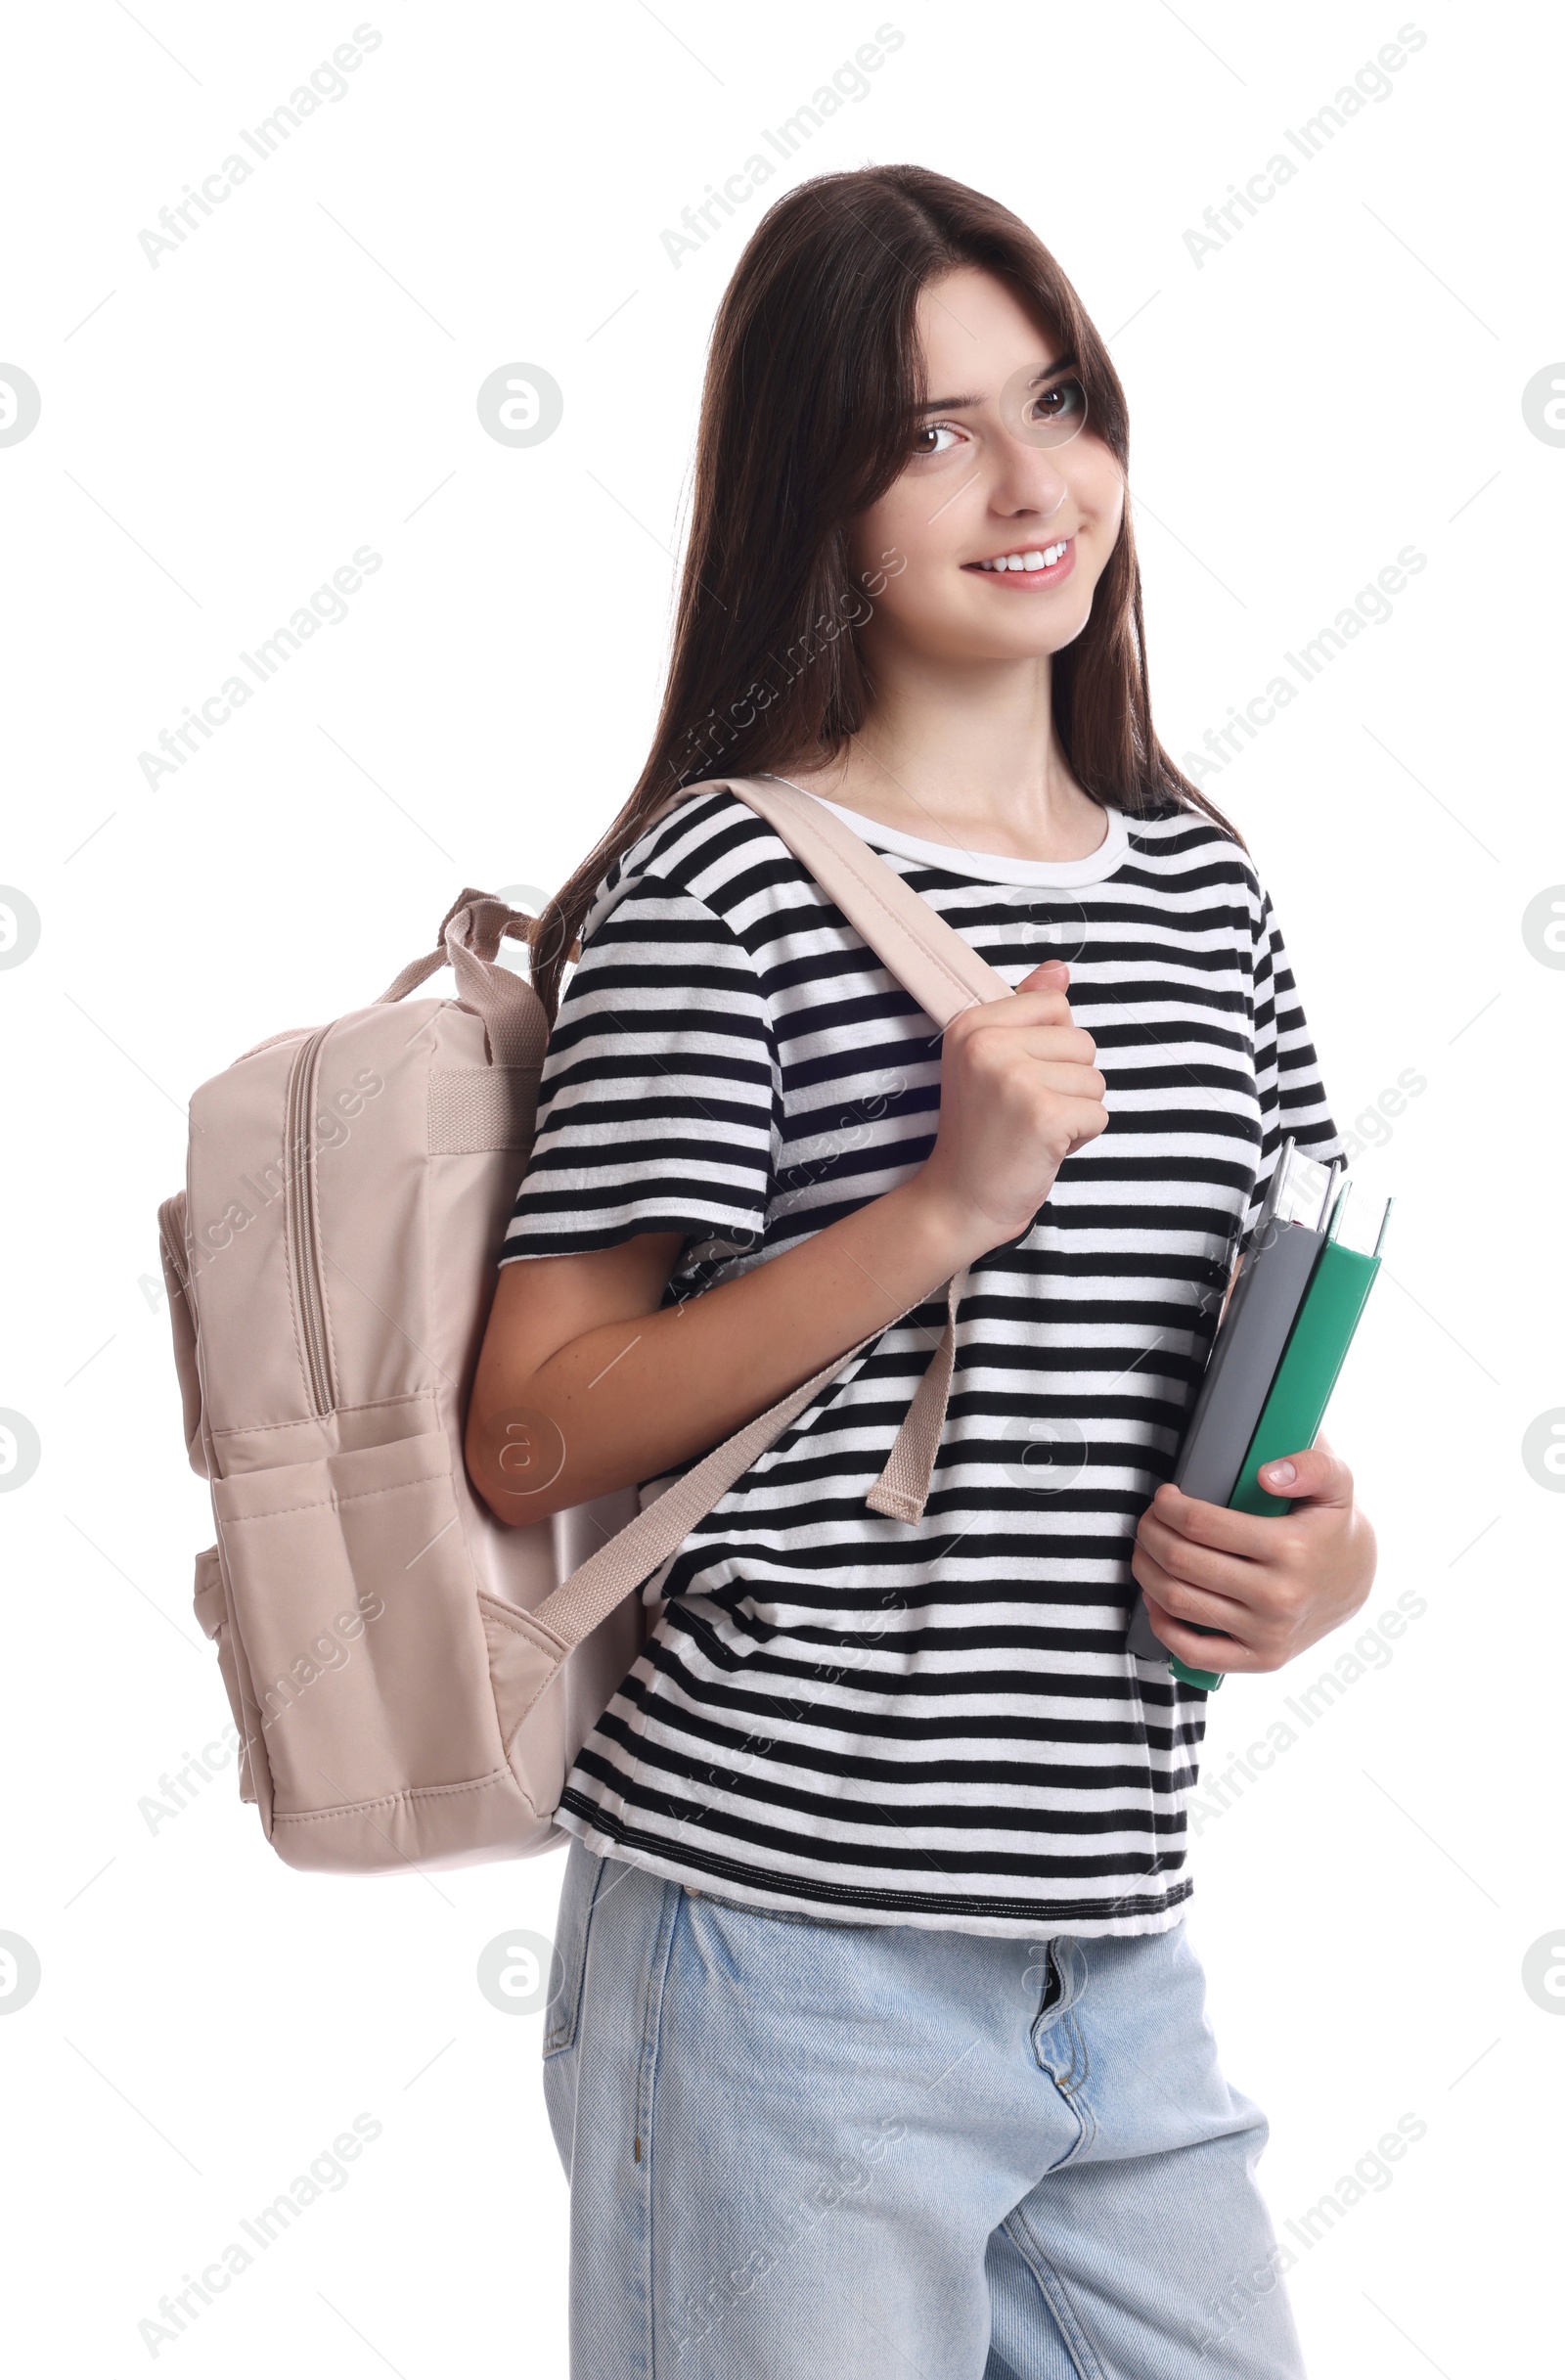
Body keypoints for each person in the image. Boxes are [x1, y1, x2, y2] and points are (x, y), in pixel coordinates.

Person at [467, 163, 1375, 2380]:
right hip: (780, 1946)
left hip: (1108, 1949)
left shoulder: (1205, 896)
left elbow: (1215, 1388)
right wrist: (933, 1213)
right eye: (926, 432)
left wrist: (1314, 1558)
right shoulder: (728, 893)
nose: (1026, 475)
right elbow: (527, 1417)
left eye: (1050, 397)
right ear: (817, 496)